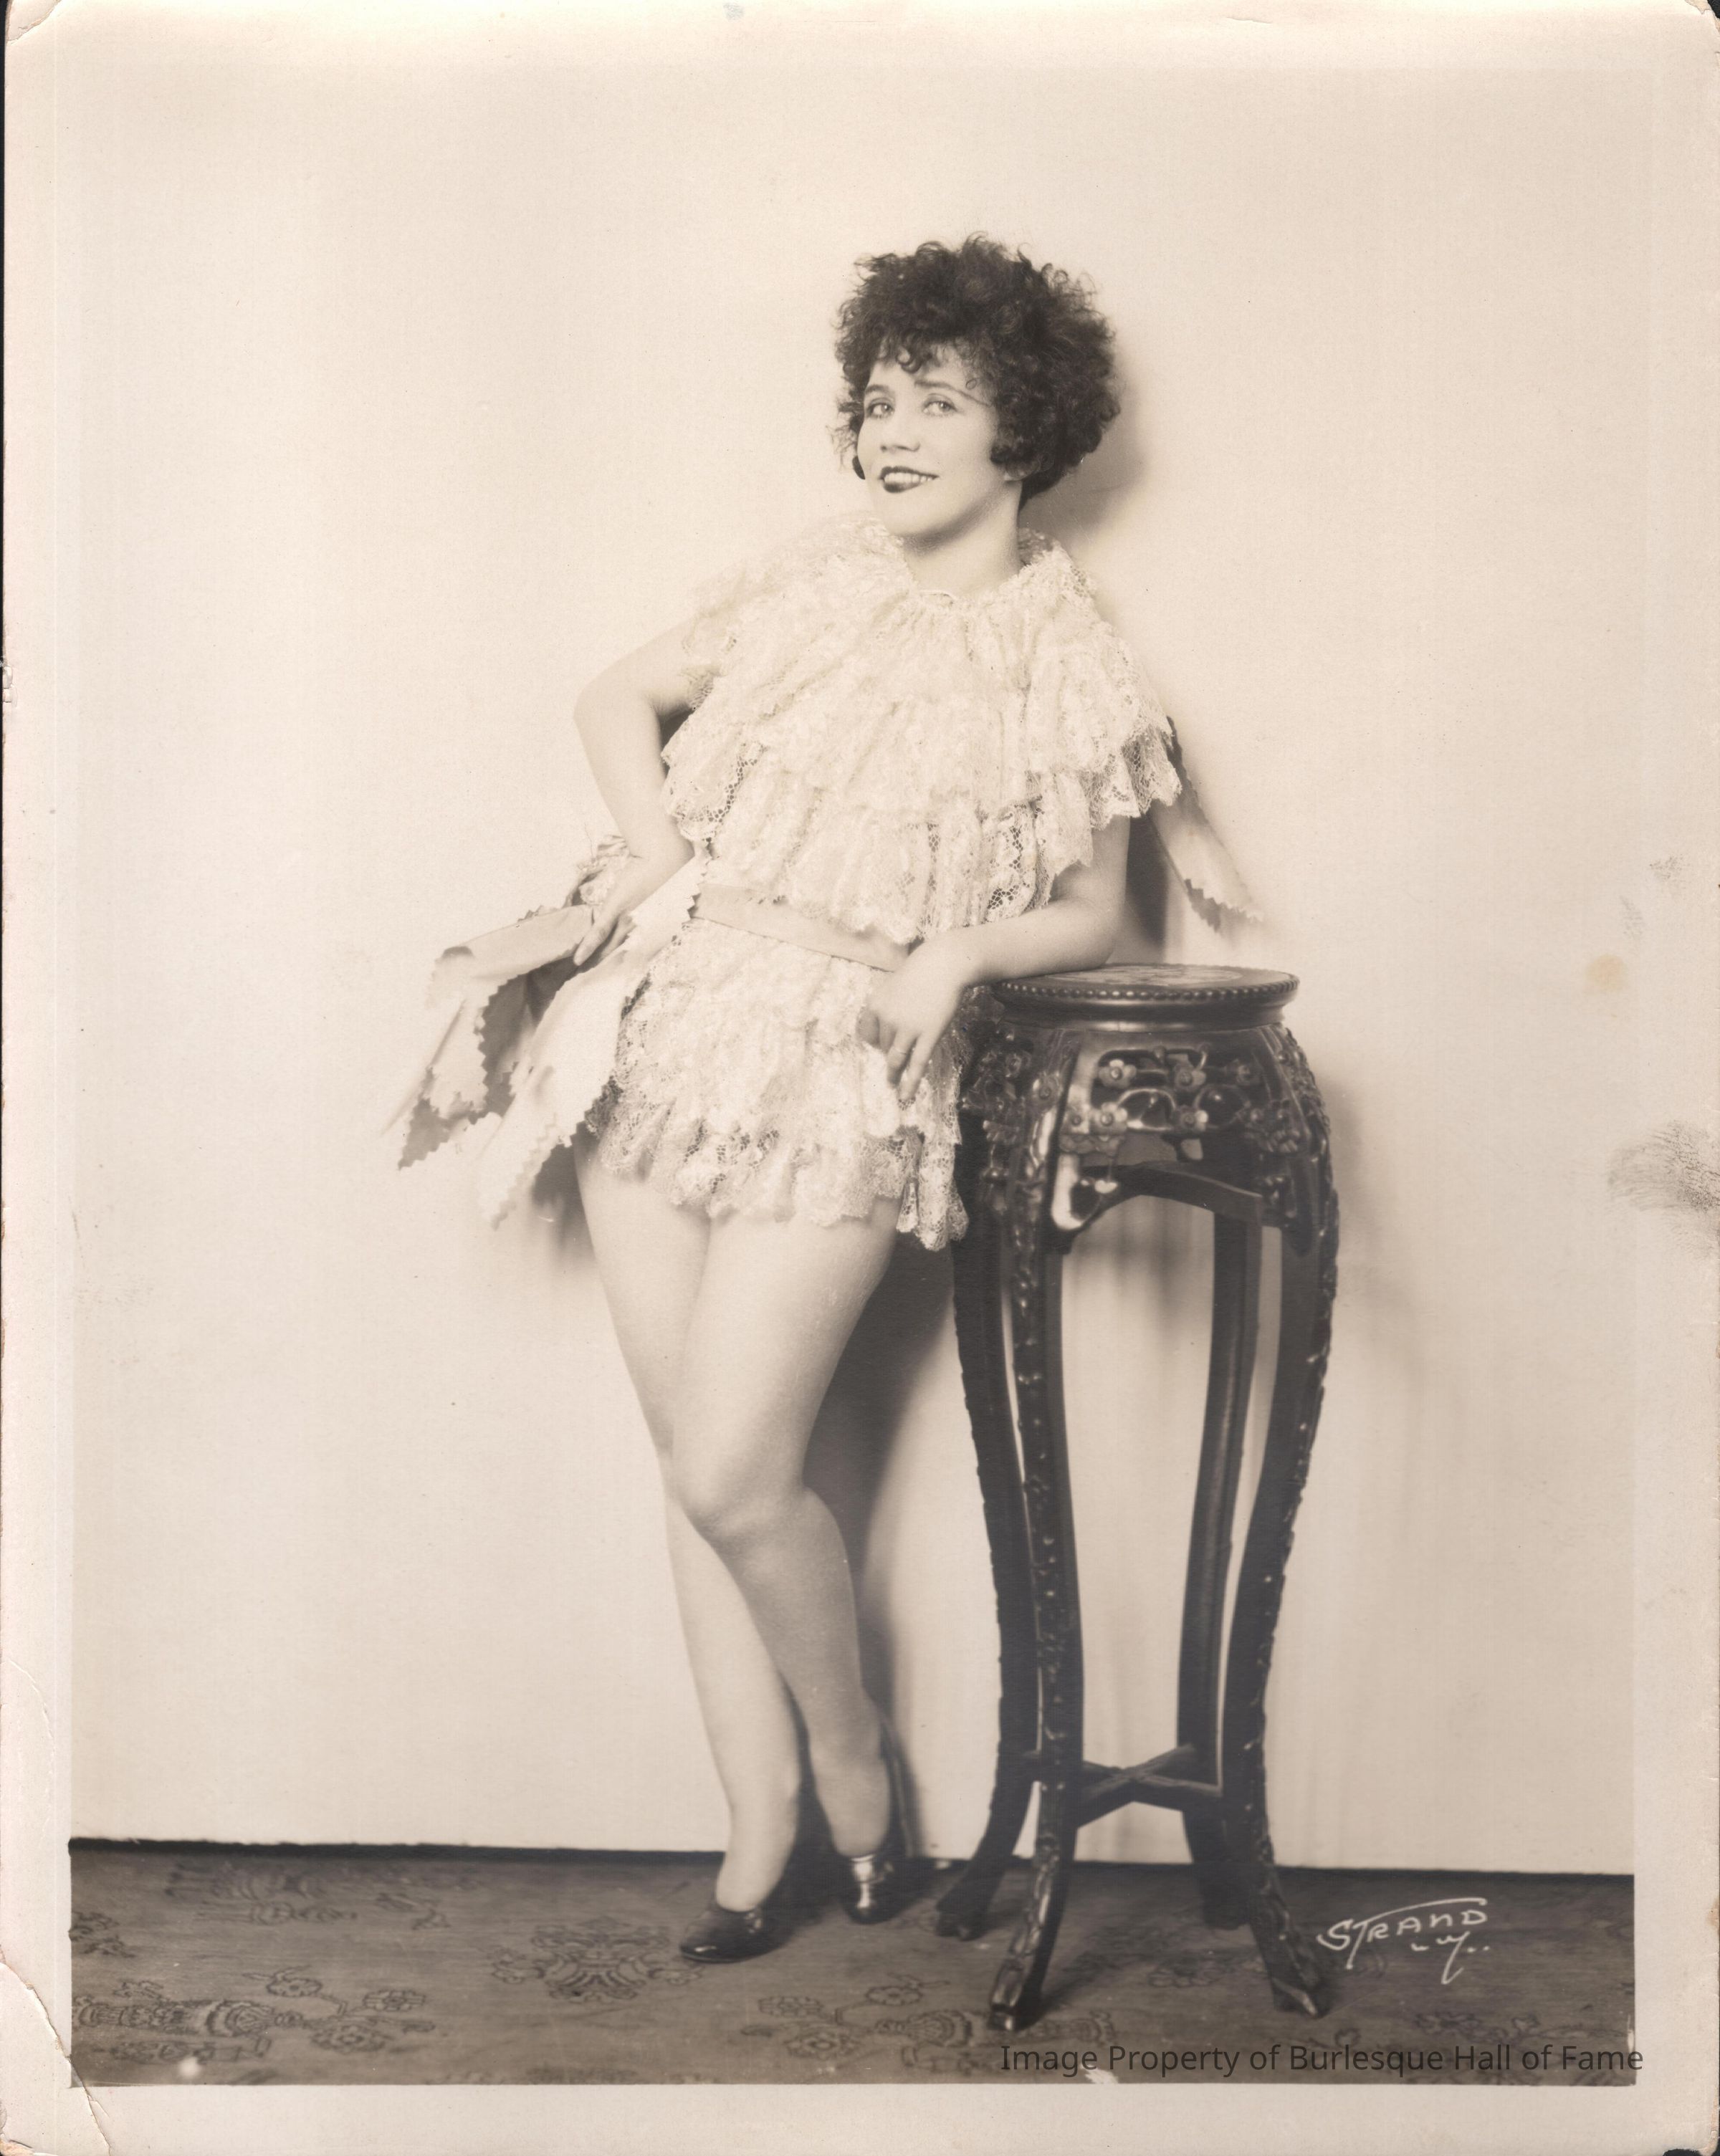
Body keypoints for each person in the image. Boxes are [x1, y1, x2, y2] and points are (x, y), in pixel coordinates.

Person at [398, 236, 1183, 1962]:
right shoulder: (812, 584)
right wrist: (658, 851)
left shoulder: (1063, 652)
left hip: (849, 1063)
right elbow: (615, 694)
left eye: (937, 401)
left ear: (1023, 428)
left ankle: (853, 1765)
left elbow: (1096, 908)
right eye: (877, 400)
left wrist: (956, 953)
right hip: (670, 1025)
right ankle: (759, 1828)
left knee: (738, 1464)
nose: (891, 432)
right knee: (692, 1469)